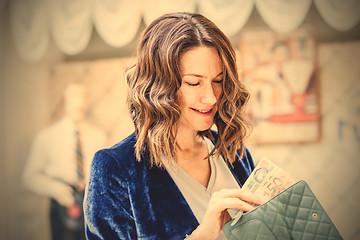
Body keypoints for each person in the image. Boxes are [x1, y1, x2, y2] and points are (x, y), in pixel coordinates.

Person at [84, 12, 266, 240]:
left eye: (218, 81)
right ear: (160, 85)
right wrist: (203, 235)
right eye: (193, 82)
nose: (211, 97)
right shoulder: (116, 168)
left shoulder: (234, 153)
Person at [23, 82, 107, 240]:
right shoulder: (47, 137)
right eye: (74, 96)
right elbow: (29, 176)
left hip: (92, 203)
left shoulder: (98, 136)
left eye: (82, 96)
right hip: (62, 203)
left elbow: (105, 173)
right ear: (65, 100)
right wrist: (56, 189)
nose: (79, 101)